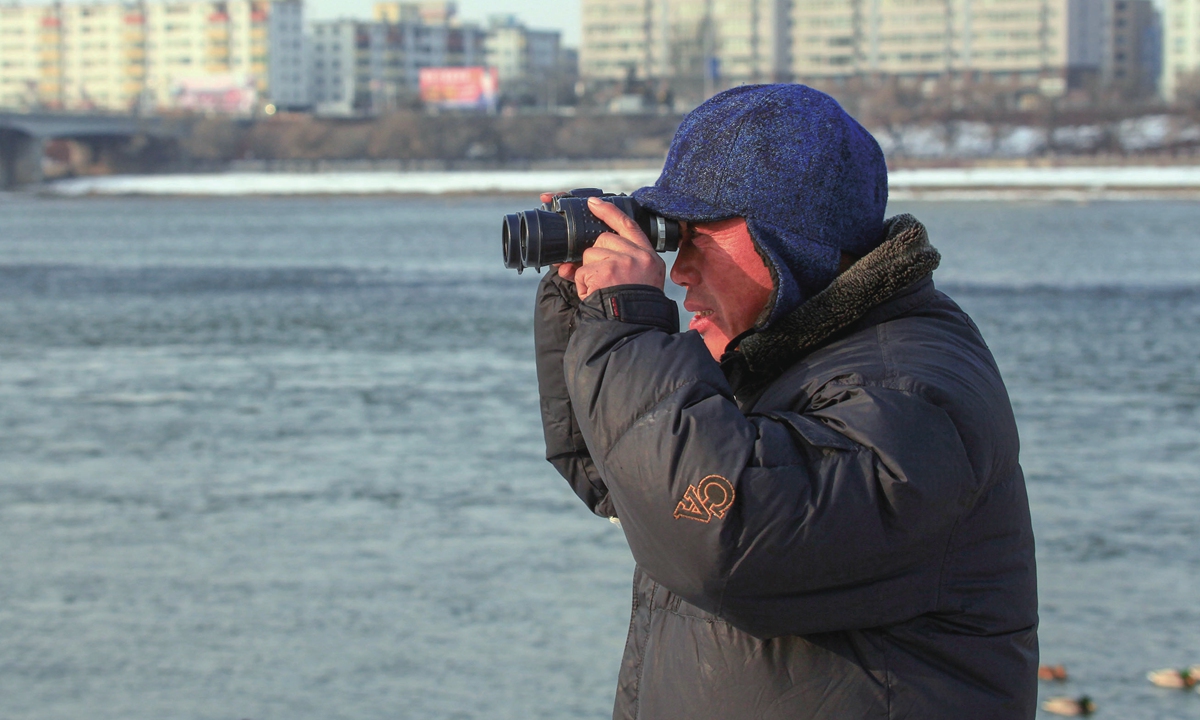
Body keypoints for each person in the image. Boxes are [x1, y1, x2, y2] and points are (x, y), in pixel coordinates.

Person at [533, 84, 1038, 719]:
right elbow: (623, 484)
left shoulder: (907, 391)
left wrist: (627, 325)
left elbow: (725, 543)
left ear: (792, 240)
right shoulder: (781, 360)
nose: (679, 267)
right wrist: (583, 314)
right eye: (671, 235)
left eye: (698, 233)